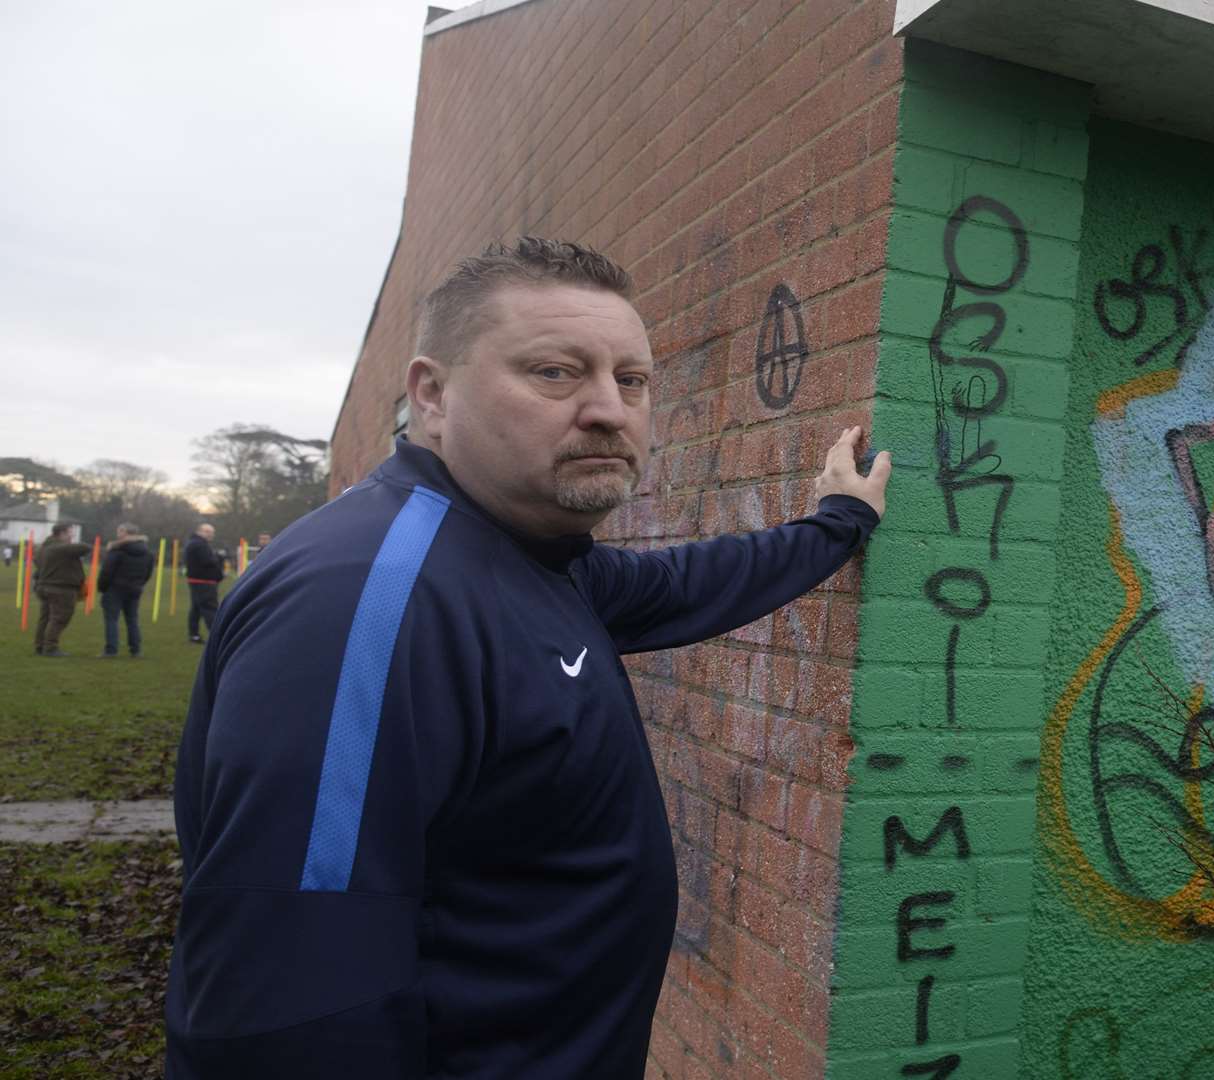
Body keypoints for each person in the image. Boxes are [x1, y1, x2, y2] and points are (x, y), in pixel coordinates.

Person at [165, 237, 892, 1079]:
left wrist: (837, 524)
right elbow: (288, 1001)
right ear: (431, 396)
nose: (608, 410)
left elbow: (686, 586)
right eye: (554, 372)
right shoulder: (372, 601)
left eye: (631, 380)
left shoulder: (526, 554)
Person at [96, 522, 156, 658]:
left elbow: (106, 571)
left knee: (111, 620)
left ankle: (111, 650)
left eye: (120, 531)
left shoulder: (117, 550)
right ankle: (135, 650)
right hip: (135, 589)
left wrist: (102, 587)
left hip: (114, 589)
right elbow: (148, 572)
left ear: (126, 533)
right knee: (132, 620)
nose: (118, 534)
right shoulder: (147, 552)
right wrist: (139, 584)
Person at [31, 523, 89, 657]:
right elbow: (85, 548)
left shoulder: (43, 548)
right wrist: (70, 543)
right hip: (61, 589)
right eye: (70, 533)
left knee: (45, 618)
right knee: (59, 618)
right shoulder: (60, 548)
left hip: (44, 587)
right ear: (61, 533)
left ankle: (40, 645)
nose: (72, 536)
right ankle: (50, 648)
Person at [181, 523, 223, 643]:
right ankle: (216, 637)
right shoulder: (199, 545)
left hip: (196, 580)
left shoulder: (194, 543)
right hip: (204, 581)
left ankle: (194, 635)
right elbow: (208, 561)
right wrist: (219, 558)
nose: (211, 535)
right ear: (200, 531)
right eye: (208, 532)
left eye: (212, 532)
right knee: (210, 608)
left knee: (196, 609)